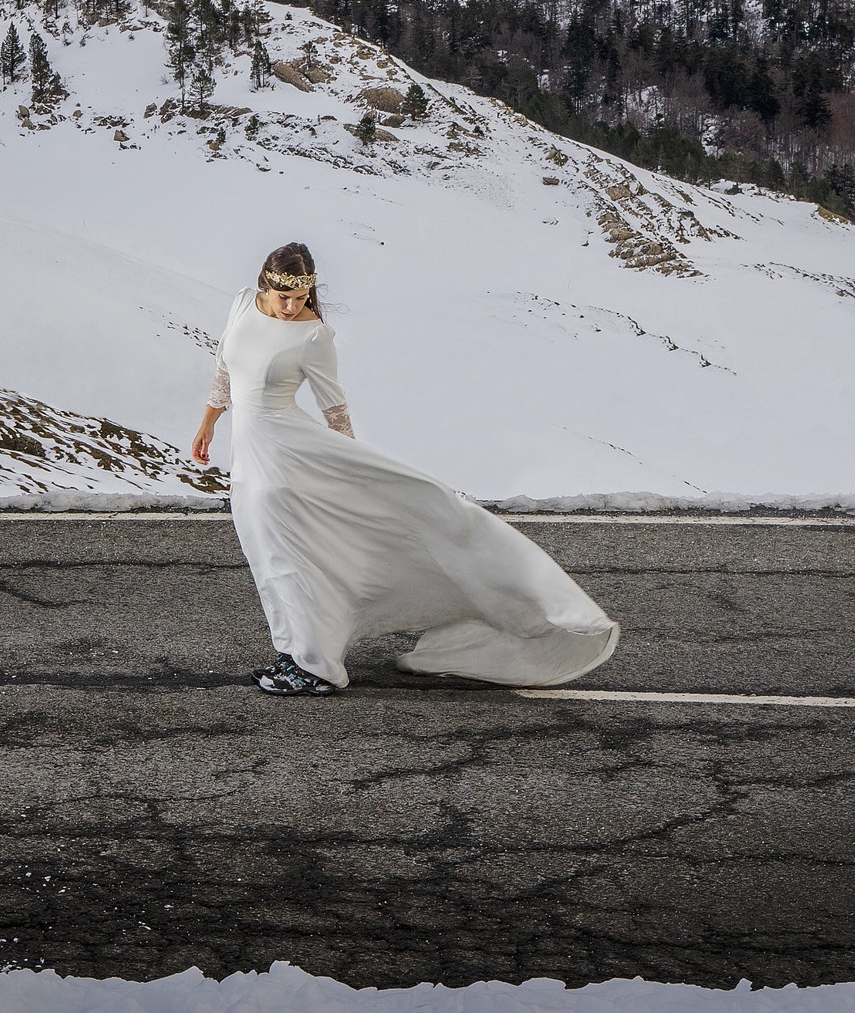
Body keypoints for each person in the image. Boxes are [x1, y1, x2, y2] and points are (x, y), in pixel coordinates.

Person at [191, 242, 620, 696]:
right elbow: (225, 370)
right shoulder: (242, 305)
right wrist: (207, 425)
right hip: (249, 454)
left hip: (288, 459)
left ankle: (317, 668)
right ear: (266, 284)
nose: (293, 306)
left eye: (301, 298)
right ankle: (293, 649)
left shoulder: (313, 335)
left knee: (289, 558)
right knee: (265, 556)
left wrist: (351, 465)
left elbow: (333, 407)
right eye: (285, 298)